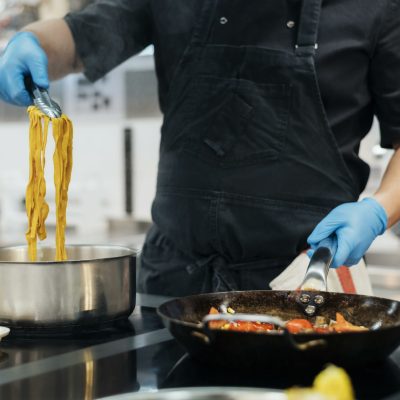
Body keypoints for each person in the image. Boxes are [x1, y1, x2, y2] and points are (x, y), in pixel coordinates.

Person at [1, 0, 400, 296]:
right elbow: (85, 35)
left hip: (307, 282)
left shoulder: (378, 7)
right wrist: (32, 41)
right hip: (173, 286)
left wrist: (379, 209)